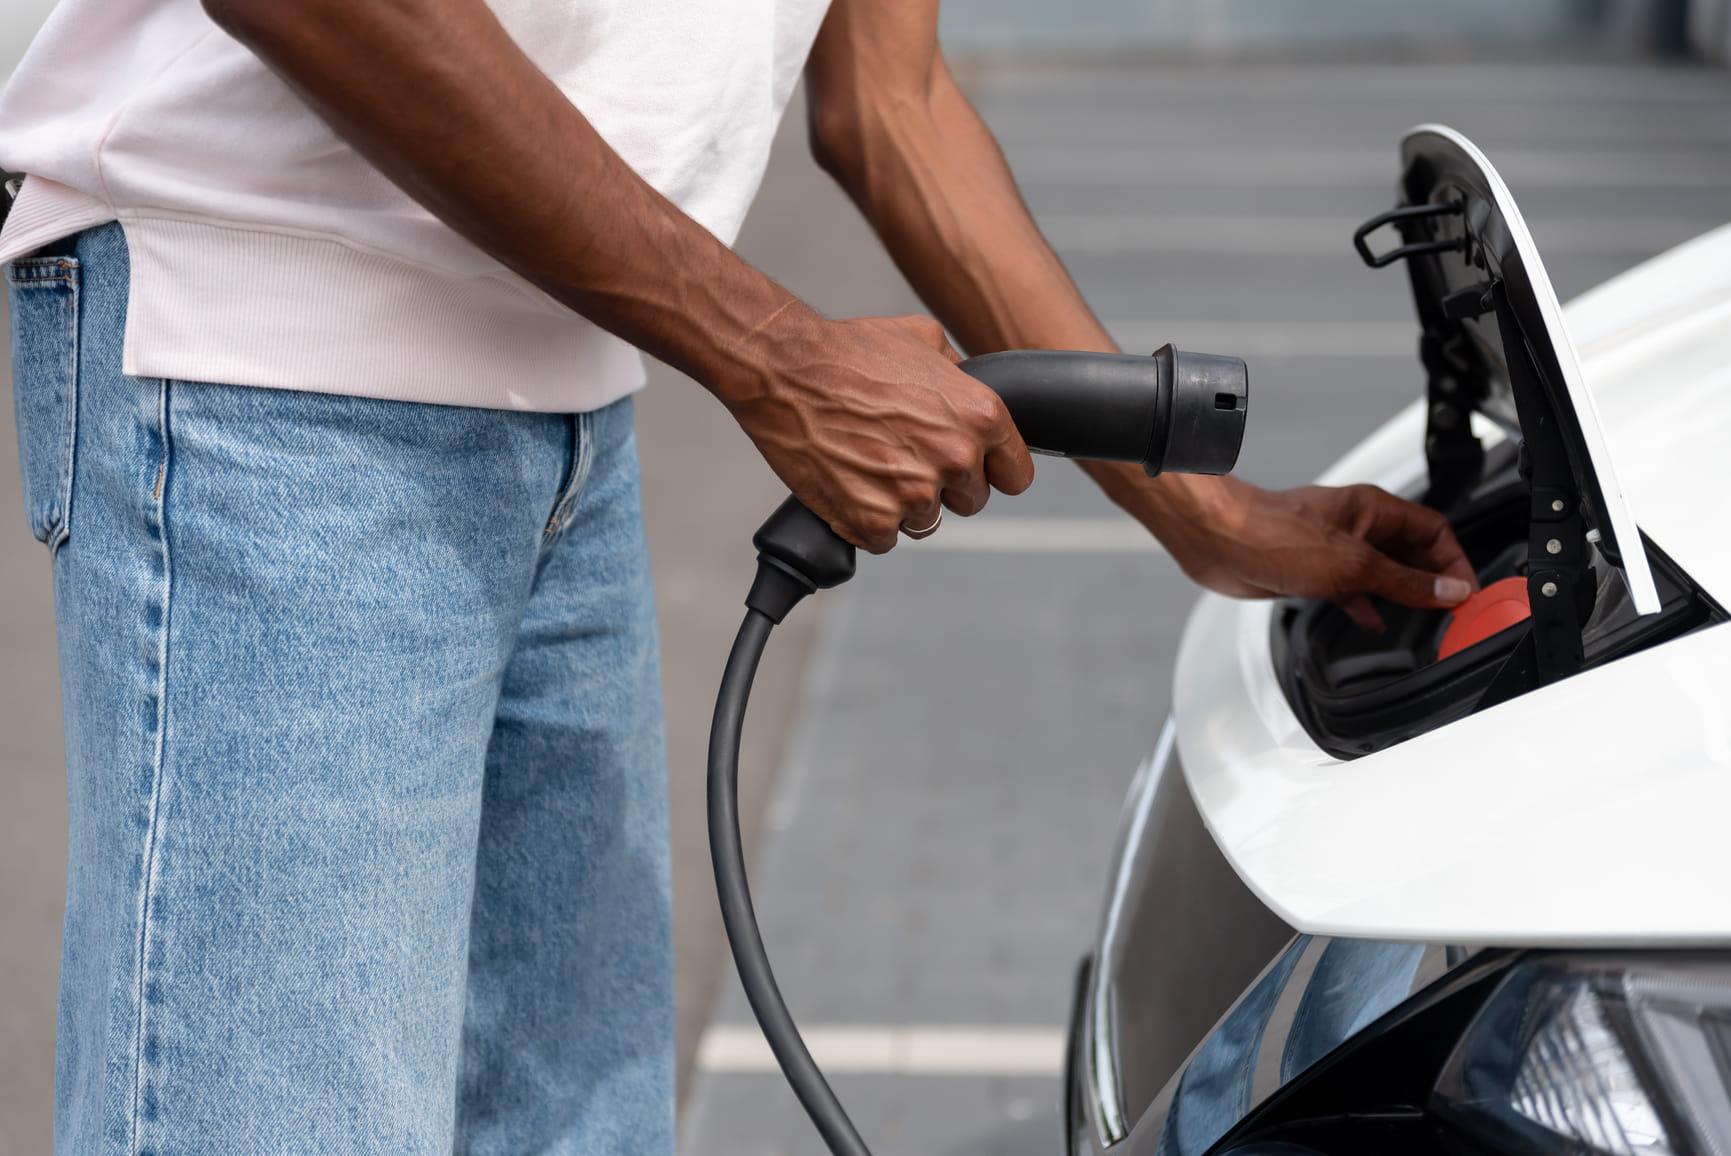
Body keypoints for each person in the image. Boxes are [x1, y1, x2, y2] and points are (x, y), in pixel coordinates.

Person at [0, 0, 1476, 1150]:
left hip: (567, 402)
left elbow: (886, 100)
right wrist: (772, 354)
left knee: (577, 1127)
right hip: (269, 375)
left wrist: (1203, 516)